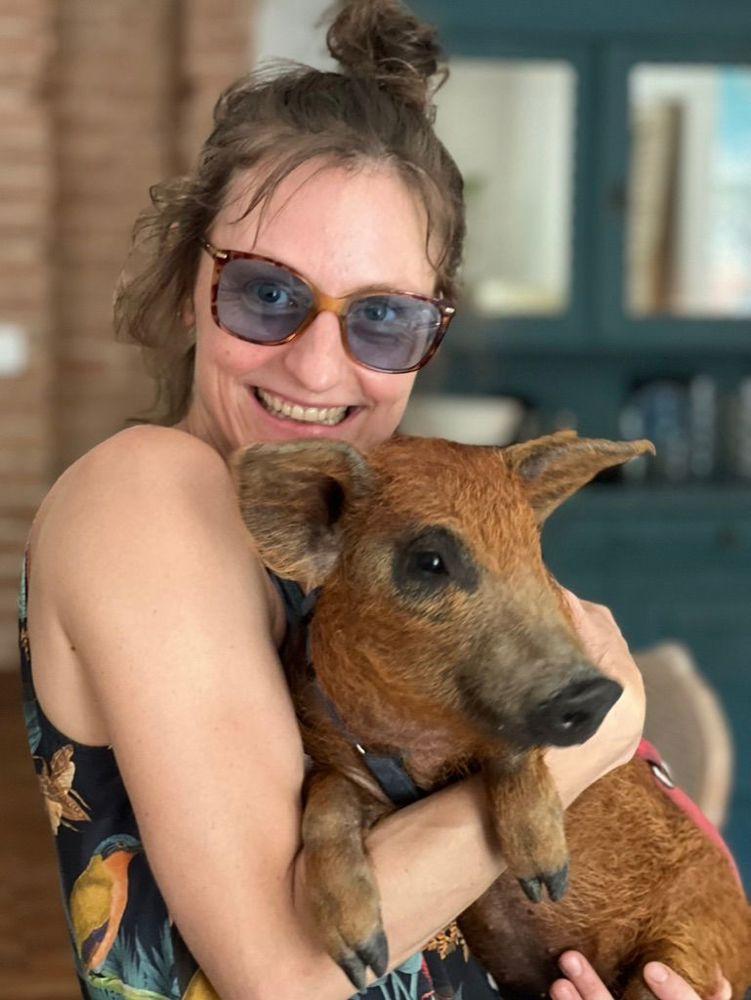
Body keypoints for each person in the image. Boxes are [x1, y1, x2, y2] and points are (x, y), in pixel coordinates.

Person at [18, 2, 732, 999]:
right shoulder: (151, 493)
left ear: (431, 336)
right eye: (267, 294)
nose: (316, 367)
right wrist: (575, 753)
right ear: (189, 286)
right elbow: (284, 975)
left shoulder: (366, 538)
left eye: (382, 318)